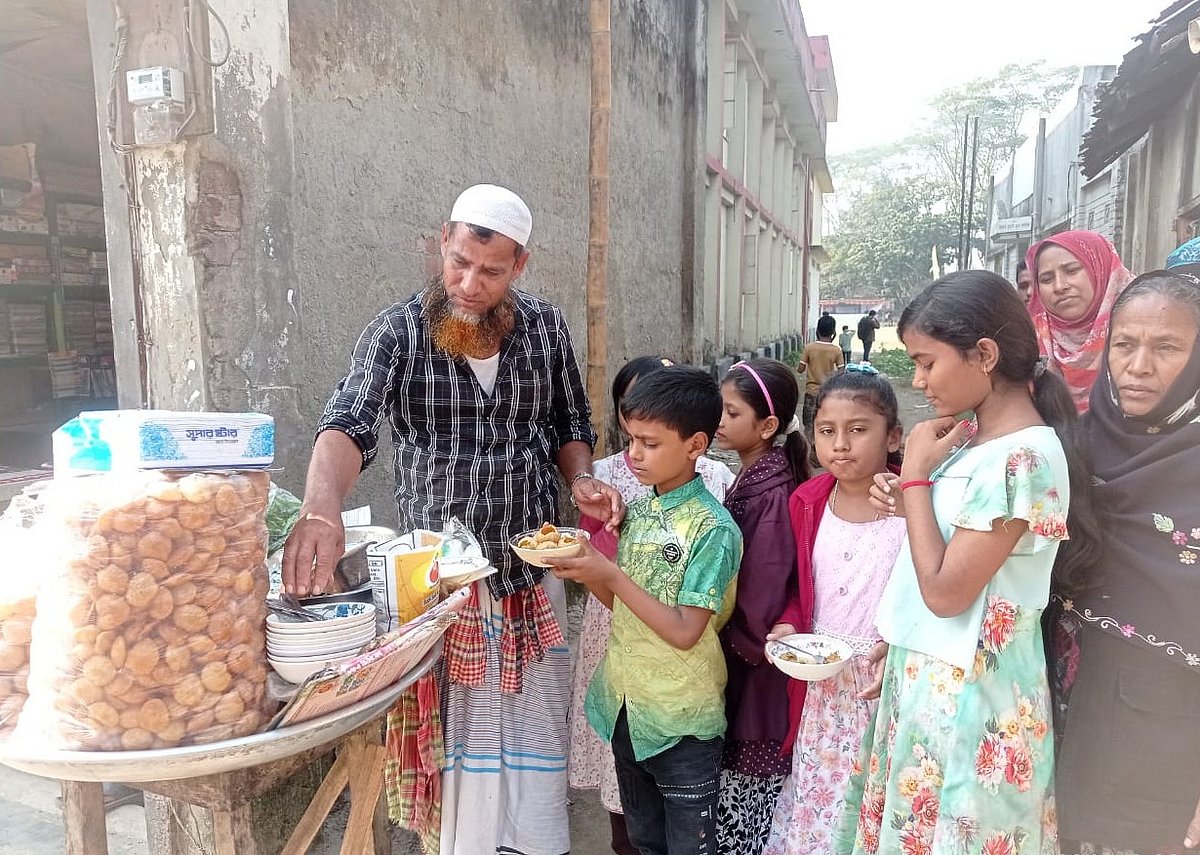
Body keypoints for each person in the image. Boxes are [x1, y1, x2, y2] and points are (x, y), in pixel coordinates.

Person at [281, 184, 624, 855]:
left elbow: (569, 422)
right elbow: (347, 424)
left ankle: (530, 844)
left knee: (532, 723)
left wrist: (580, 476)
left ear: (520, 266)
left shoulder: (546, 328)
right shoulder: (397, 332)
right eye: (459, 261)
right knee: (454, 732)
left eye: (490, 271)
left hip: (529, 571)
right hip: (440, 583)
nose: (468, 283)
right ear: (443, 240)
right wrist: (320, 508)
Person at [834, 270, 1091, 855]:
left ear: (984, 354)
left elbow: (949, 592)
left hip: (973, 692)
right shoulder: (976, 442)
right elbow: (948, 561)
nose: (919, 381)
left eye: (927, 362)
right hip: (938, 671)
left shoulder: (1022, 457)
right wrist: (909, 504)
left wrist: (917, 479)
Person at [548, 366, 742, 855]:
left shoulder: (712, 530)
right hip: (627, 707)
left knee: (688, 847)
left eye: (650, 444)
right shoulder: (640, 511)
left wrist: (608, 572)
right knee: (643, 840)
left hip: (681, 719)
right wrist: (589, 568)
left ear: (697, 445)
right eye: (631, 439)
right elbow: (623, 608)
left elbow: (684, 631)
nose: (633, 455)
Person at [1055, 271, 1200, 855]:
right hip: (1055, 719)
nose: (1139, 366)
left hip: (1163, 749)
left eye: (1167, 347)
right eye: (1125, 344)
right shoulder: (1072, 446)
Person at [762, 367, 907, 855]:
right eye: (827, 431)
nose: (840, 445)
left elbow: (930, 591)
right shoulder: (808, 501)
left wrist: (902, 645)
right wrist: (787, 623)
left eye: (858, 430)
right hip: (823, 689)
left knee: (876, 799)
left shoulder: (911, 509)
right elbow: (799, 588)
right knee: (820, 796)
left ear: (894, 437)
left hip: (884, 684)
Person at [712, 358, 810, 855]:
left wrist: (728, 642)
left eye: (731, 413)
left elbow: (764, 584)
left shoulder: (771, 491)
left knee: (752, 797)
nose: (719, 420)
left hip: (759, 659)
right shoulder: (754, 478)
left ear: (767, 426)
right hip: (750, 652)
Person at [1025, 230, 1134, 413]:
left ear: (1099, 267)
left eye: (1072, 270)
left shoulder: (1142, 322)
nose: (1060, 286)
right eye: (1046, 279)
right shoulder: (1029, 338)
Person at [798, 315, 845, 434]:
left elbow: (800, 369)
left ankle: (810, 447)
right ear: (833, 332)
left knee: (809, 424)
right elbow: (841, 373)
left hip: (811, 392)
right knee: (825, 423)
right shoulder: (836, 350)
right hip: (827, 393)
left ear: (817, 330)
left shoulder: (809, 348)